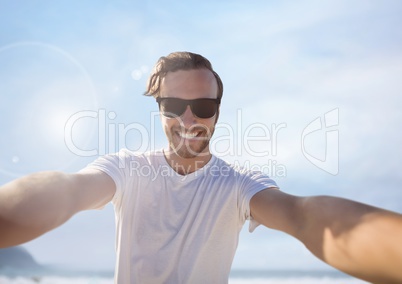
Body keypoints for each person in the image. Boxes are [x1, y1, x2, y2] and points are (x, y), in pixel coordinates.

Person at [0, 51, 401, 284]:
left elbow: (303, 217)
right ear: (159, 110)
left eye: (203, 107)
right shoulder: (126, 168)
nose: (189, 119)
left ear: (217, 112)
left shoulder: (240, 185)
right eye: (173, 106)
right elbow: (67, 191)